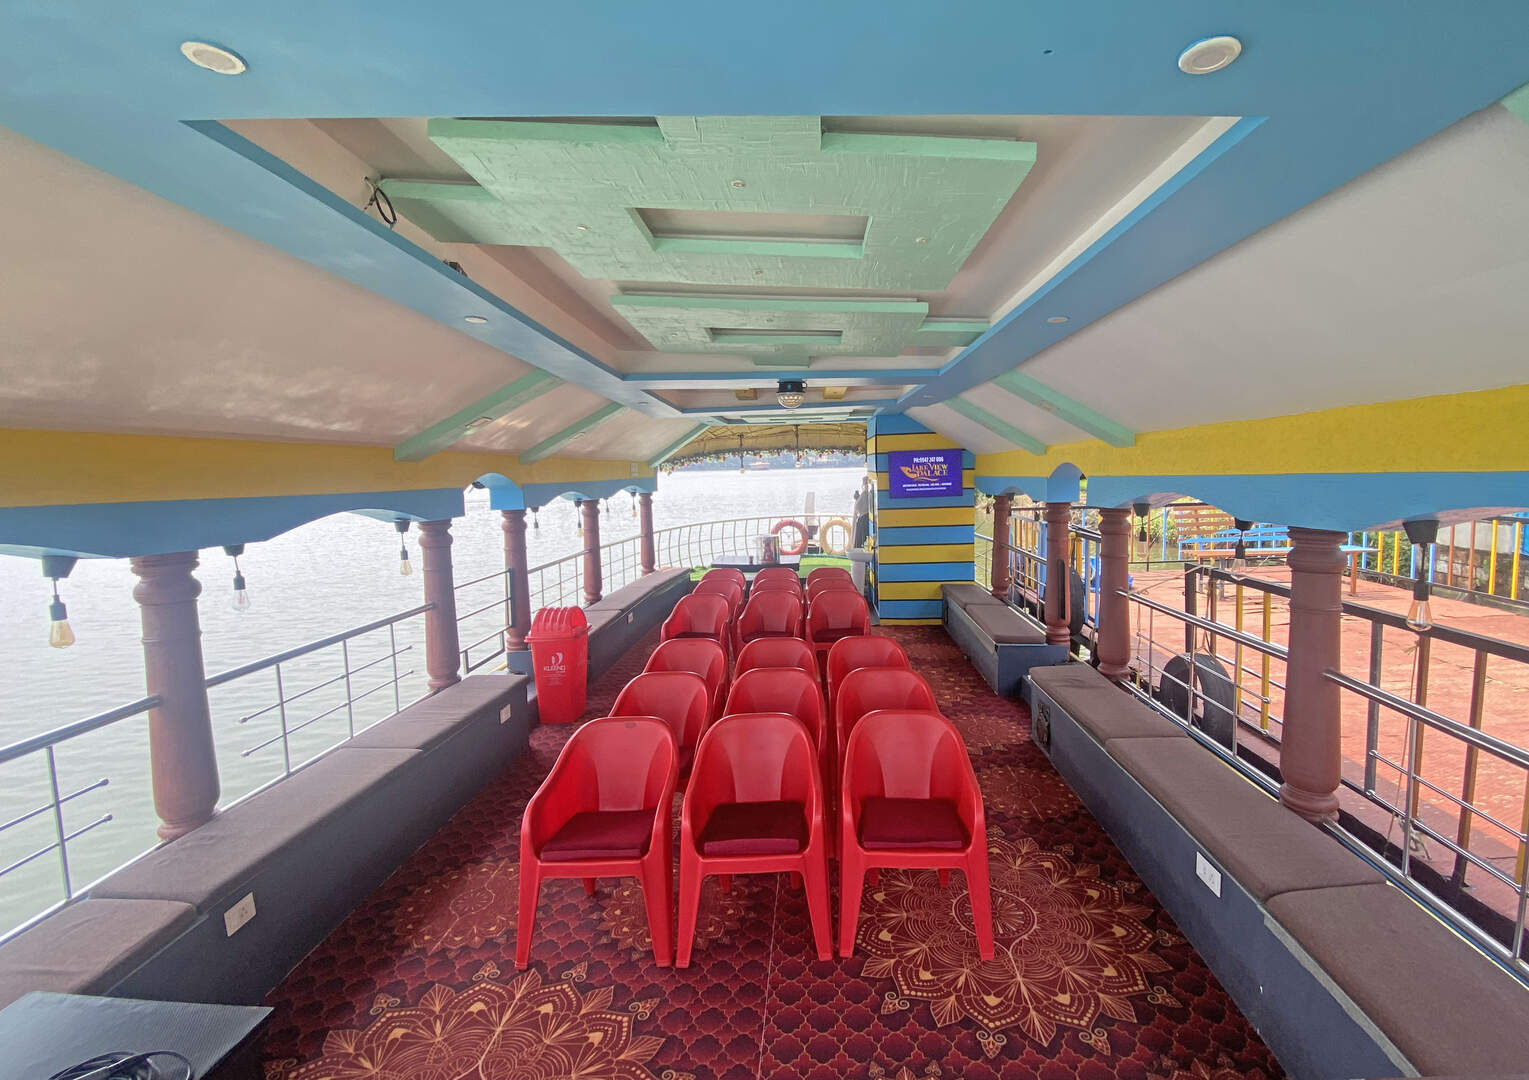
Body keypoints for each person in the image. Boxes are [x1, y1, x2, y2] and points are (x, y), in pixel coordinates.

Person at [851, 475, 874, 549]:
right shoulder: (865, 494)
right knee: (862, 542)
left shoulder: (868, 494)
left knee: (864, 542)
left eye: (865, 482)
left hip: (865, 520)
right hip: (863, 520)